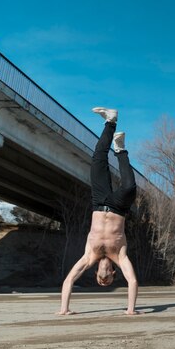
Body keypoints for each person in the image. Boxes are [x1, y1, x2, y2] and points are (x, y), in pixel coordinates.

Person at [57, 107, 139, 315]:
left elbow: (68, 280)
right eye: (108, 279)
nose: (104, 280)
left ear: (96, 273)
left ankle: (110, 121)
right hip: (119, 207)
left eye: (101, 280)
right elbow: (132, 280)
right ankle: (120, 150)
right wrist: (131, 309)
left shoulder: (88, 257)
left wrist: (64, 309)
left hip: (98, 201)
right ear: (112, 272)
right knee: (130, 187)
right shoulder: (120, 258)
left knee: (98, 160)